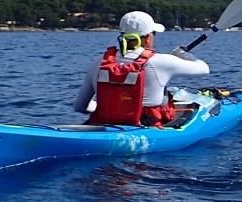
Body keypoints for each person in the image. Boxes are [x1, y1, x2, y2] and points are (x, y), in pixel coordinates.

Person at [73, 10, 210, 126]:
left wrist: (110, 111)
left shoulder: (100, 62)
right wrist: (184, 54)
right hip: (145, 128)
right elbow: (204, 69)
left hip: (105, 124)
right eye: (153, 34)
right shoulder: (162, 61)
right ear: (147, 38)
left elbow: (80, 107)